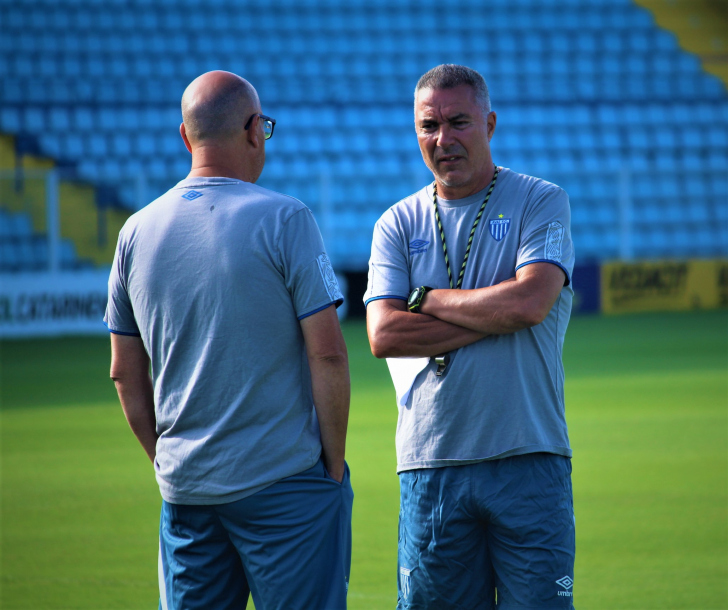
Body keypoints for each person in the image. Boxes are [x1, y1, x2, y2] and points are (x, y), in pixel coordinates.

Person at [104, 71, 353, 610]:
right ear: (252, 131)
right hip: (284, 482)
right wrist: (332, 469)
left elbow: (124, 371)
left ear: (185, 137)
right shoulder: (286, 218)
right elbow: (329, 352)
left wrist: (163, 460)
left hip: (187, 488)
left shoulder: (135, 233)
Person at [365, 64, 576, 609]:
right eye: (428, 126)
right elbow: (384, 333)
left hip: (529, 454)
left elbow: (530, 303)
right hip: (431, 464)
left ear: (490, 123)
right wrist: (491, 311)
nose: (443, 139)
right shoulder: (396, 222)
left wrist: (427, 299)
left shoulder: (540, 200)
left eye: (459, 122)